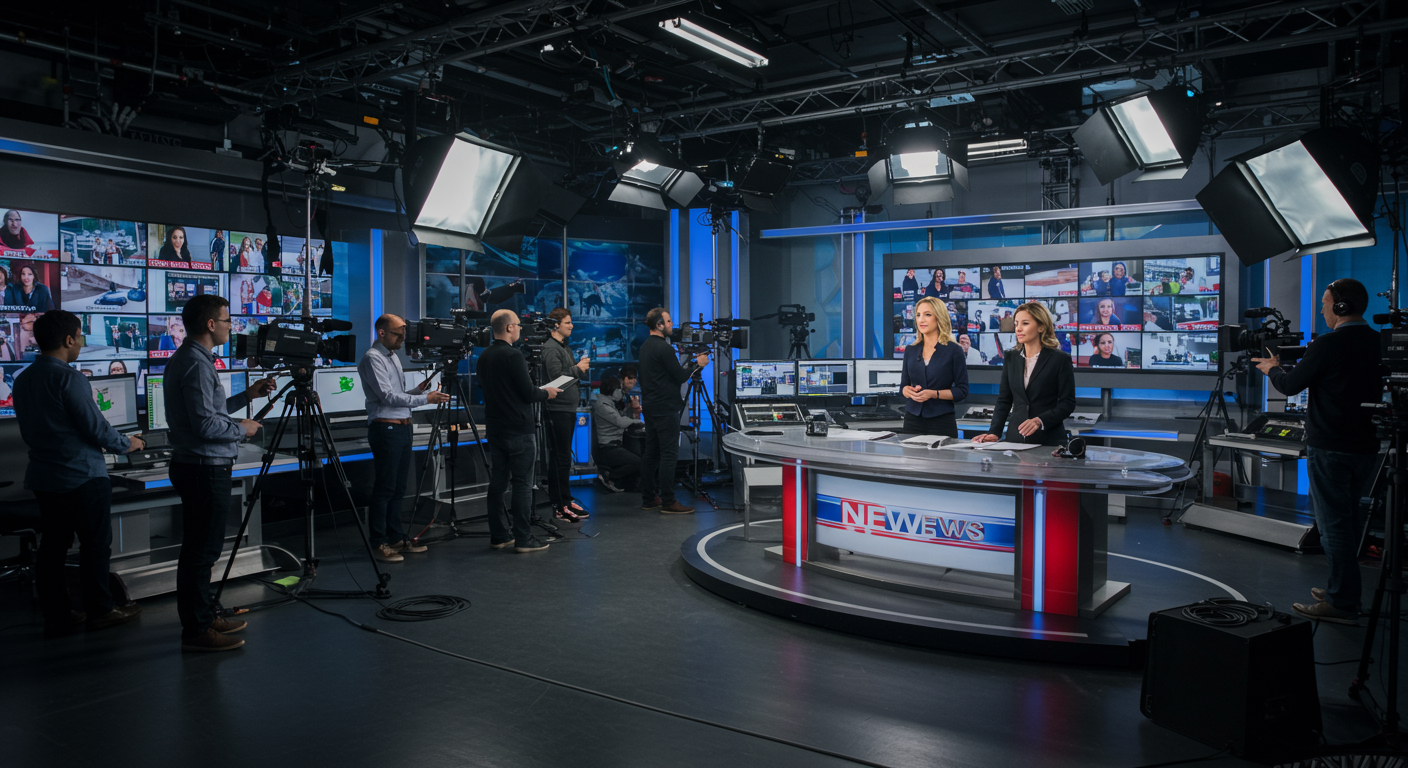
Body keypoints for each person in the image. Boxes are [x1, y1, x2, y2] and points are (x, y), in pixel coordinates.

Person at [1252, 279, 1382, 624]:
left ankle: (1341, 602)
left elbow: (1290, 384)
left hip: (1331, 447)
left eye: (1325, 303)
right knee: (1350, 520)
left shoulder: (1329, 343)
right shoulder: (1377, 341)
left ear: (1340, 307)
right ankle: (1343, 588)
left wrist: (1271, 369)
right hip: (1366, 447)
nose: (1322, 309)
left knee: (1333, 525)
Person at [13, 310, 145, 638]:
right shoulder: (69, 378)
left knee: (53, 547)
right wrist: (128, 444)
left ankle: (58, 614)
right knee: (95, 546)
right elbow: (97, 429)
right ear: (69, 339)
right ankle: (101, 611)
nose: (82, 343)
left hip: (45, 477)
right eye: (81, 336)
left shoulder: (24, 378)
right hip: (82, 476)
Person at [164, 294, 275, 652]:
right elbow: (205, 425)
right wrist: (242, 429)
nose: (231, 326)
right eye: (228, 321)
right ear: (211, 324)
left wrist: (247, 396)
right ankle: (197, 630)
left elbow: (210, 411)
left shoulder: (193, 359)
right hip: (203, 468)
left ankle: (205, 615)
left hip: (200, 466)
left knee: (202, 551)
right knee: (201, 553)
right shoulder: (196, 364)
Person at [358, 314, 451, 563]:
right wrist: (425, 399)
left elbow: (397, 395)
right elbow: (387, 398)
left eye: (403, 334)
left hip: (402, 428)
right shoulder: (373, 358)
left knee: (399, 488)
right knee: (385, 488)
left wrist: (417, 391)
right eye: (397, 334)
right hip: (386, 429)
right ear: (382, 333)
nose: (402, 338)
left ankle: (395, 537)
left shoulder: (392, 356)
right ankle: (378, 542)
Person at [477, 310, 562, 553]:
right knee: (522, 484)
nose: (521, 328)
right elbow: (528, 393)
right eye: (518, 325)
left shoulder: (484, 356)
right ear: (509, 328)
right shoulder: (513, 356)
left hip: (496, 428)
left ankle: (499, 536)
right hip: (518, 429)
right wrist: (547, 392)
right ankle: (524, 538)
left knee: (498, 483)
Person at [638, 308, 708, 514]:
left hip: (650, 406)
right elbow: (680, 376)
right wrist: (698, 364)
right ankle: (669, 501)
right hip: (665, 408)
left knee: (651, 454)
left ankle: (649, 498)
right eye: (668, 321)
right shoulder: (664, 348)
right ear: (659, 325)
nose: (672, 325)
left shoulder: (645, 346)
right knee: (668, 455)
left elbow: (669, 373)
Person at [976, 301, 1075, 447]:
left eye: (1025, 323)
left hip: (1048, 441)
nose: (1018, 329)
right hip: (1014, 439)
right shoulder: (1011, 357)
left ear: (1041, 327)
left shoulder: (1060, 359)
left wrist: (1040, 421)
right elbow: (1004, 400)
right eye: (1016, 324)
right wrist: (994, 432)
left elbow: (1067, 403)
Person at [541, 308, 593, 522]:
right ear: (556, 325)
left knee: (562, 457)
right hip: (557, 409)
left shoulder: (563, 346)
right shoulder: (551, 348)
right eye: (567, 322)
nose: (571, 326)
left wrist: (578, 369)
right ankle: (560, 504)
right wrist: (578, 369)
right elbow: (555, 379)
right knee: (560, 458)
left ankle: (565, 499)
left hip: (566, 409)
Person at [899, 297, 969, 437]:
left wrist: (933, 394)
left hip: (941, 421)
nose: (921, 320)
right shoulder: (910, 350)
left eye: (927, 315)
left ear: (939, 317)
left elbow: (962, 391)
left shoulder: (954, 350)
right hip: (913, 420)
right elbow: (903, 388)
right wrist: (908, 391)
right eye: (918, 315)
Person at [593, 373, 643, 493]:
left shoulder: (610, 403)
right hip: (608, 447)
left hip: (616, 443)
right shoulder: (603, 405)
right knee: (637, 462)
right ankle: (609, 476)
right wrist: (638, 422)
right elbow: (620, 422)